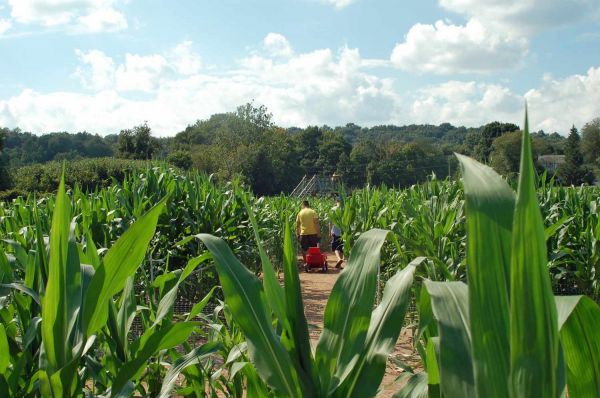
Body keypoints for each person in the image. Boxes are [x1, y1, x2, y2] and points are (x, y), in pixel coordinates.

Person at [329, 197, 344, 269]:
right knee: (341, 248)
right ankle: (340, 265)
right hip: (343, 231)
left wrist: (330, 232)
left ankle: (338, 259)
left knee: (335, 248)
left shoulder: (333, 209)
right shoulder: (344, 209)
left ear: (336, 201)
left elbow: (330, 222)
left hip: (335, 231)